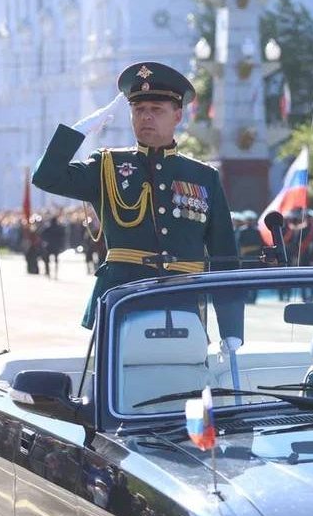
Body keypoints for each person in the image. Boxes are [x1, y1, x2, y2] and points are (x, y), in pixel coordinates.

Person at [32, 61, 236, 329]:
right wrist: (79, 131)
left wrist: (231, 329)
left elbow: (225, 256)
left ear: (177, 116)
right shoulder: (107, 166)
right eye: (139, 109)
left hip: (183, 304)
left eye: (157, 109)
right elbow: (46, 176)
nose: (146, 116)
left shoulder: (202, 176)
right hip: (122, 303)